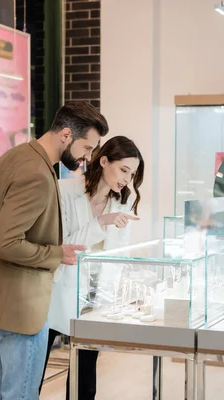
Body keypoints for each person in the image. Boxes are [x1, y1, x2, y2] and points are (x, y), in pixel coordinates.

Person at [0, 102, 109, 400]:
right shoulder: (38, 174)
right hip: (21, 307)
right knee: (20, 394)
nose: (87, 157)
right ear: (66, 135)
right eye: (87, 147)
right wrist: (56, 254)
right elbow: (6, 241)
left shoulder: (13, 157)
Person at [39, 136, 145, 399]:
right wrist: (102, 221)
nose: (126, 180)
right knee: (34, 374)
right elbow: (64, 246)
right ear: (104, 160)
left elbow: (118, 256)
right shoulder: (64, 191)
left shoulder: (122, 202)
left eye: (131, 174)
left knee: (84, 381)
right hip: (56, 292)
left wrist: (123, 295)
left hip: (94, 301)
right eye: (123, 170)